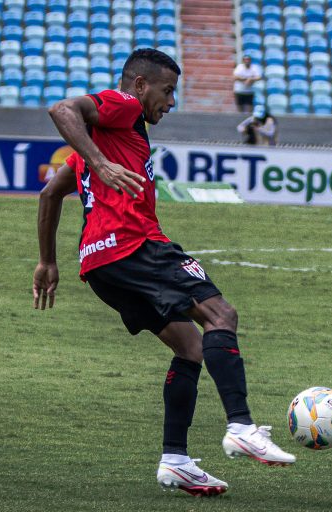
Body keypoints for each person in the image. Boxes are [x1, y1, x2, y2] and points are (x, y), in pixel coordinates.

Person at [33, 48, 295, 498]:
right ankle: (241, 426)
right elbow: (61, 108)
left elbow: (49, 194)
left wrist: (48, 261)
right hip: (135, 246)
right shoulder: (125, 106)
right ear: (139, 85)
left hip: (100, 267)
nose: (171, 103)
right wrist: (99, 163)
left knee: (191, 348)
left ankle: (175, 460)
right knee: (220, 315)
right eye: (167, 91)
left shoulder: (100, 140)